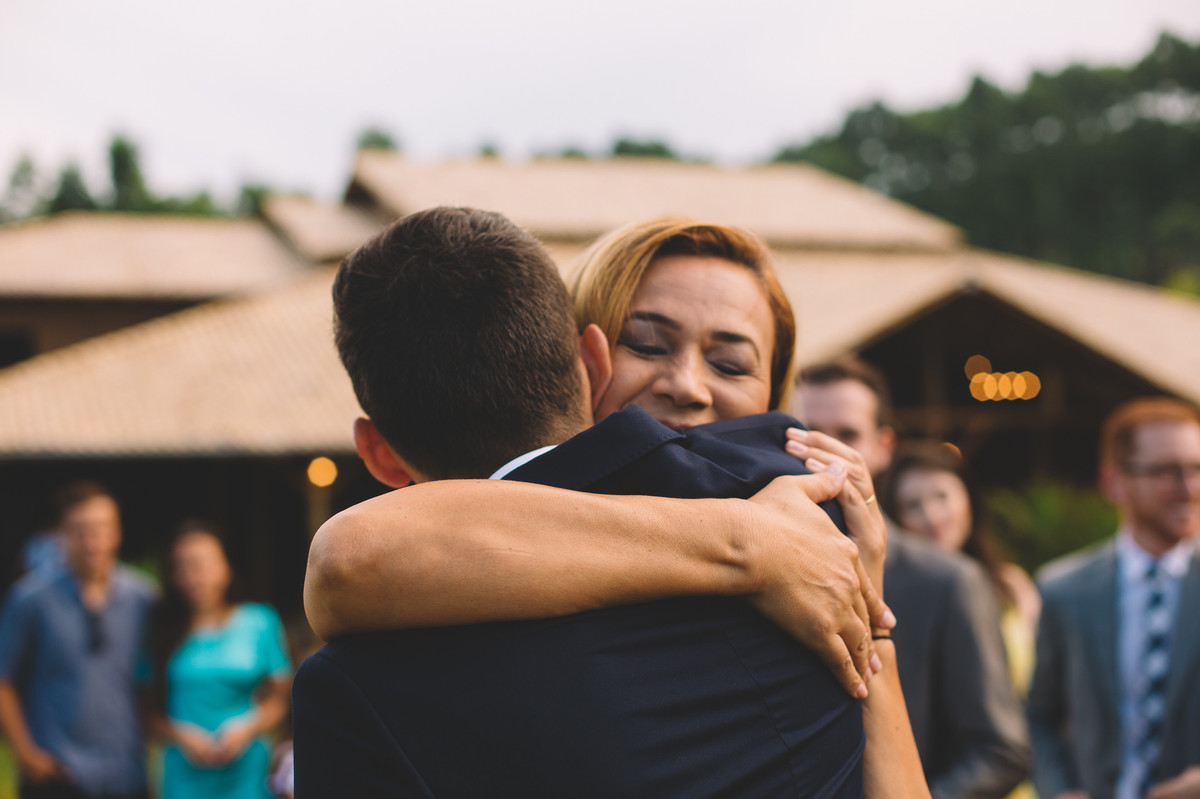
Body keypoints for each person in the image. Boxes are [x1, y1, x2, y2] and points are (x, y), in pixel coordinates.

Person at [293, 208, 927, 797]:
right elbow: (351, 559)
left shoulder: (810, 535)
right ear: (584, 358)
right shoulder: (774, 531)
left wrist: (866, 612)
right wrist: (752, 539)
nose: (686, 387)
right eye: (647, 345)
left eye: (731, 363)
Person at [792, 357, 1031, 799]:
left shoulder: (948, 580)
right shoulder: (762, 568)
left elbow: (1000, 750)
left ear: (884, 447)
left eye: (847, 435)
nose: (823, 452)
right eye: (807, 432)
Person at [1027, 397, 1200, 799]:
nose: (1189, 488)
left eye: (1196, 469)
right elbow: (1040, 716)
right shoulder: (1063, 588)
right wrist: (1059, 790)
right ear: (1114, 482)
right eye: (1166, 471)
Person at [0, 482, 154, 799]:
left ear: (117, 532)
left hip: (125, 774)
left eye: (101, 529)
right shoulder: (30, 600)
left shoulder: (142, 597)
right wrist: (26, 754)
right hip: (56, 774)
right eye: (79, 530)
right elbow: (4, 680)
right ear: (61, 536)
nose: (91, 541)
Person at [880, 440, 1041, 696]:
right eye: (912, 505)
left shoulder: (1012, 585)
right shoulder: (888, 602)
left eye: (941, 497)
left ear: (968, 497)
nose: (932, 517)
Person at [147, 520, 291, 799]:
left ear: (226, 567)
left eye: (202, 564)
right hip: (184, 775)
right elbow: (145, 710)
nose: (193, 576)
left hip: (248, 772)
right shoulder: (160, 631)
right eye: (183, 566)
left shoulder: (260, 621)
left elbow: (281, 698)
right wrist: (182, 735)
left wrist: (247, 727)